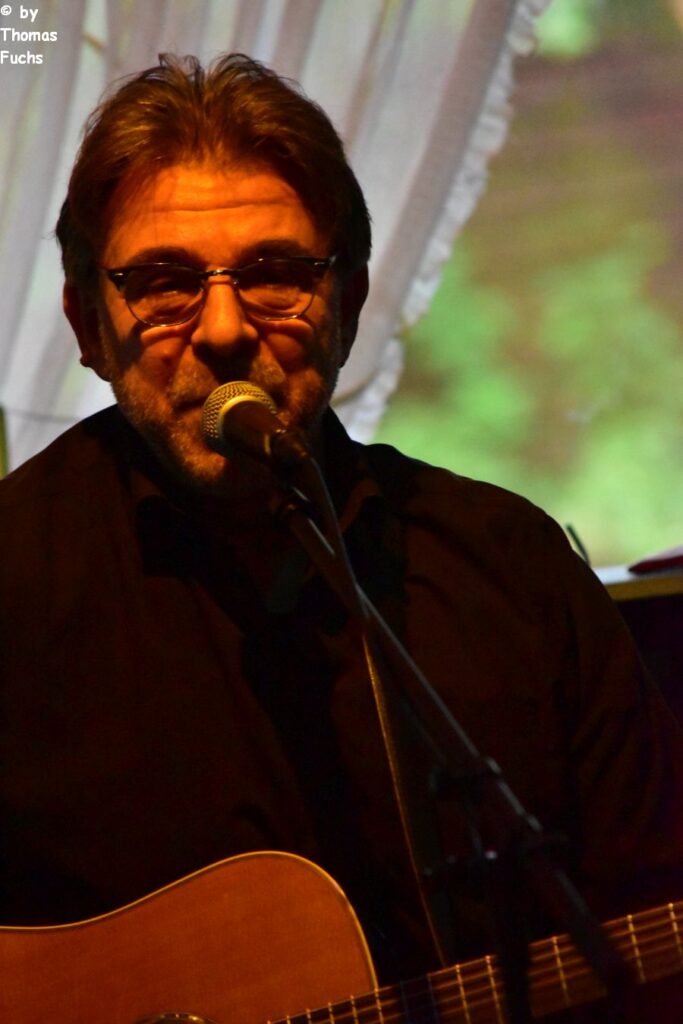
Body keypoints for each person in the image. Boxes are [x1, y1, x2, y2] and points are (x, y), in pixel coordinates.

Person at [0, 53, 681, 1020]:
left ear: (349, 302)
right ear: (85, 323)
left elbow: (650, 913)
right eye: (163, 282)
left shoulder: (509, 570)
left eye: (275, 275)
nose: (225, 330)